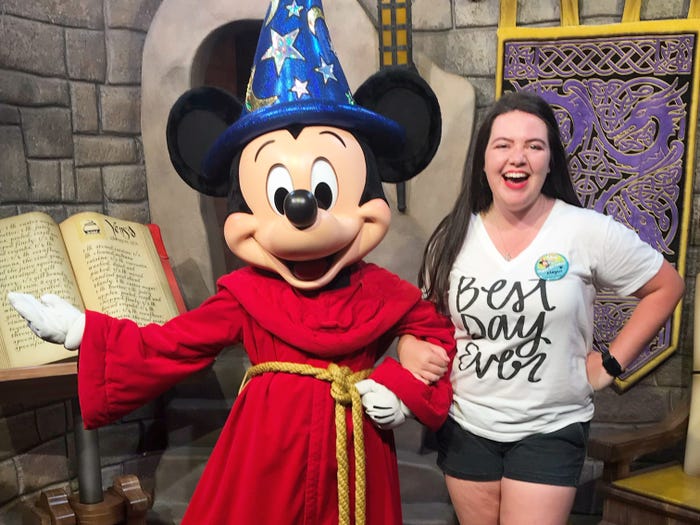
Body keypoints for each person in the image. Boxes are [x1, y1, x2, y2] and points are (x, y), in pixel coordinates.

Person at [398, 91, 685, 525]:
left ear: (550, 162)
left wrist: (608, 363)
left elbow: (667, 285)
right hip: (466, 427)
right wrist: (407, 346)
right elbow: (426, 320)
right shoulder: (452, 235)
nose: (519, 158)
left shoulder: (584, 231)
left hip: (550, 429)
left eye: (534, 146)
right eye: (503, 145)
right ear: (483, 160)